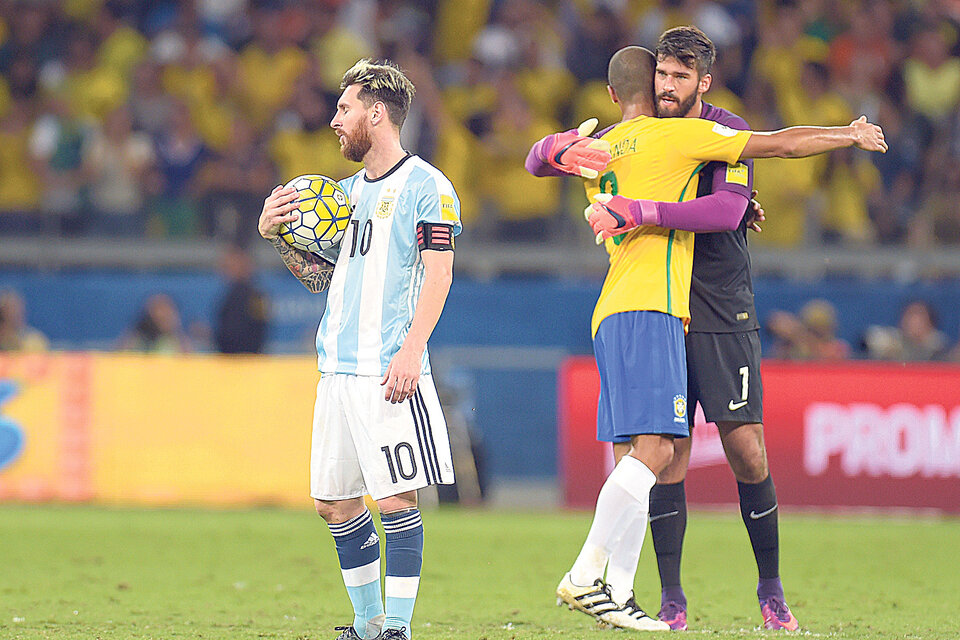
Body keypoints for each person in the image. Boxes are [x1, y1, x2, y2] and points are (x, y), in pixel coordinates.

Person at [526, 44, 886, 632]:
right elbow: (540, 160)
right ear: (645, 84)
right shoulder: (647, 138)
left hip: (710, 306)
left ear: (704, 82)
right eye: (661, 74)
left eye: (680, 76)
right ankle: (634, 590)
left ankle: (755, 588)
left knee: (729, 450)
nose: (669, 85)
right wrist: (552, 148)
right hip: (657, 305)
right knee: (660, 453)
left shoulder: (700, 132)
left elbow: (724, 209)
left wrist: (613, 192)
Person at [257, 59, 461, 640]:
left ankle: (395, 627)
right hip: (337, 369)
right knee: (333, 502)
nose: (334, 120)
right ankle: (368, 625)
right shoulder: (343, 195)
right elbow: (322, 278)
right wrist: (278, 237)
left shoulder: (429, 186)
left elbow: (439, 275)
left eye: (344, 109)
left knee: (395, 498)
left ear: (377, 113)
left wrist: (411, 351)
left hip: (387, 367)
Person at [213, 245, 269, 354]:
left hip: (244, 359)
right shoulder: (230, 294)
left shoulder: (254, 296)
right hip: (233, 358)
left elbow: (258, 330)